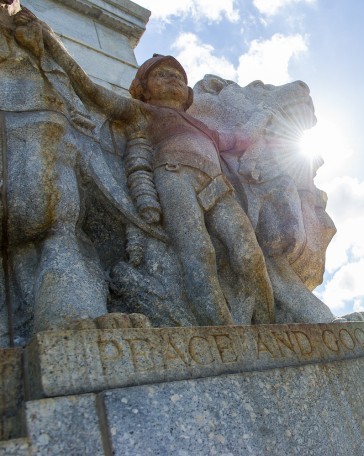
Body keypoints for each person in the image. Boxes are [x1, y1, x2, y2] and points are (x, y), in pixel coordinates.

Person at [10, 8, 275, 326]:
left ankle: (267, 321)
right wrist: (51, 42)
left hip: (219, 184)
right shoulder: (140, 112)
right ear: (142, 88)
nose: (173, 79)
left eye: (178, 76)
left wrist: (262, 117)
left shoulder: (205, 129)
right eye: (162, 74)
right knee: (198, 252)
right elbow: (90, 90)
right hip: (174, 177)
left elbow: (241, 139)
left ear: (189, 93)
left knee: (250, 254)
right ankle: (223, 328)